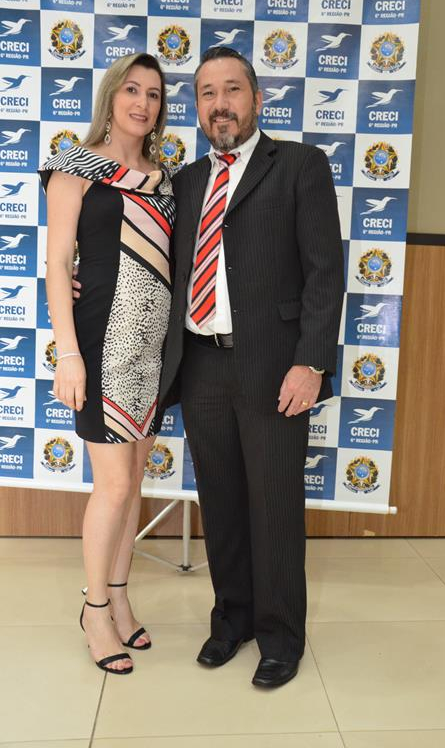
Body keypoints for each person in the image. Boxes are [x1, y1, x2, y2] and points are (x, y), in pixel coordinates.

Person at [159, 47, 344, 688]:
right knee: (222, 503)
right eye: (207, 93)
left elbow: (325, 273)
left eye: (232, 90)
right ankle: (231, 619)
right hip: (202, 364)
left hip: (273, 366)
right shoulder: (186, 181)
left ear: (257, 99)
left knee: (274, 506)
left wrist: (311, 363)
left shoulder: (298, 165)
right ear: (197, 108)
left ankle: (281, 637)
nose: (220, 104)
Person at [39, 53, 176, 674]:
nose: (142, 103)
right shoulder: (74, 167)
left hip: (153, 347)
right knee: (113, 485)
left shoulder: (167, 179)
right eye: (132, 90)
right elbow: (56, 264)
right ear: (111, 96)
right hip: (99, 342)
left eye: (153, 94)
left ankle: (119, 597)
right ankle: (94, 610)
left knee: (134, 482)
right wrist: (68, 354)